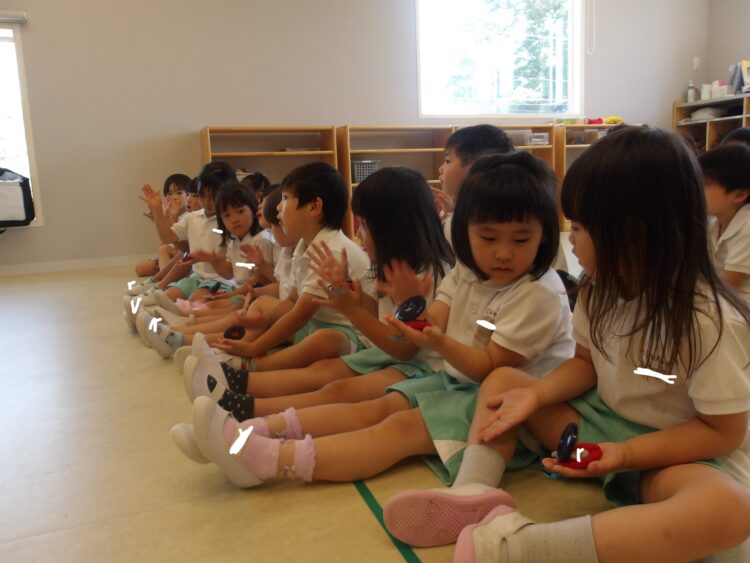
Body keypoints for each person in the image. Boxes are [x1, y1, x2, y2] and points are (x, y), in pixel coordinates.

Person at [174, 151, 574, 499]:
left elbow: (472, 362)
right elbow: (424, 327)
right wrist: (402, 311)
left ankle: (264, 453)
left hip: (501, 408)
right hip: (453, 379)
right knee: (360, 400)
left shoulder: (533, 293)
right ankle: (245, 432)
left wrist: (390, 314)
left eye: (520, 240)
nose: (503, 253)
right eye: (488, 237)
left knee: (387, 422)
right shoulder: (466, 272)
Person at [432, 127, 750, 563]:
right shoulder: (599, 289)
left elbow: (722, 433)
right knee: (505, 381)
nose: (570, 240)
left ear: (634, 234)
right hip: (599, 430)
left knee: (728, 509)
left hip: (671, 456)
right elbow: (585, 364)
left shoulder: (708, 321)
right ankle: (473, 491)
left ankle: (518, 549)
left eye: (580, 228)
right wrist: (536, 396)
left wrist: (625, 455)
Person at [177, 166, 454, 426]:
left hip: (414, 363)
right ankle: (235, 380)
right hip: (386, 351)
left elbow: (403, 346)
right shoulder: (384, 263)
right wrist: (349, 295)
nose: (358, 234)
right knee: (327, 374)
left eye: (366, 226)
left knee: (336, 387)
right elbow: (380, 318)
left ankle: (246, 401)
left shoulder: (423, 274)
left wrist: (351, 305)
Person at [140, 181, 271, 357]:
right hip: (246, 294)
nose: (234, 219)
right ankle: (175, 327)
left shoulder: (261, 240)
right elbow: (229, 272)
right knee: (222, 311)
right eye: (227, 215)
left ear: (254, 209)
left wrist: (231, 294)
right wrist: (213, 260)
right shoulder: (235, 239)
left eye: (240, 211)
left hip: (255, 296)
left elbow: (260, 279)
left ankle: (176, 334)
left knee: (229, 315)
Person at [699, 144, 750, 305]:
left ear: (738, 195)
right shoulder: (714, 222)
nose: (696, 190)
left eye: (704, 185)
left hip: (740, 305)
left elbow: (728, 284)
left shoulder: (747, 226)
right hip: (722, 299)